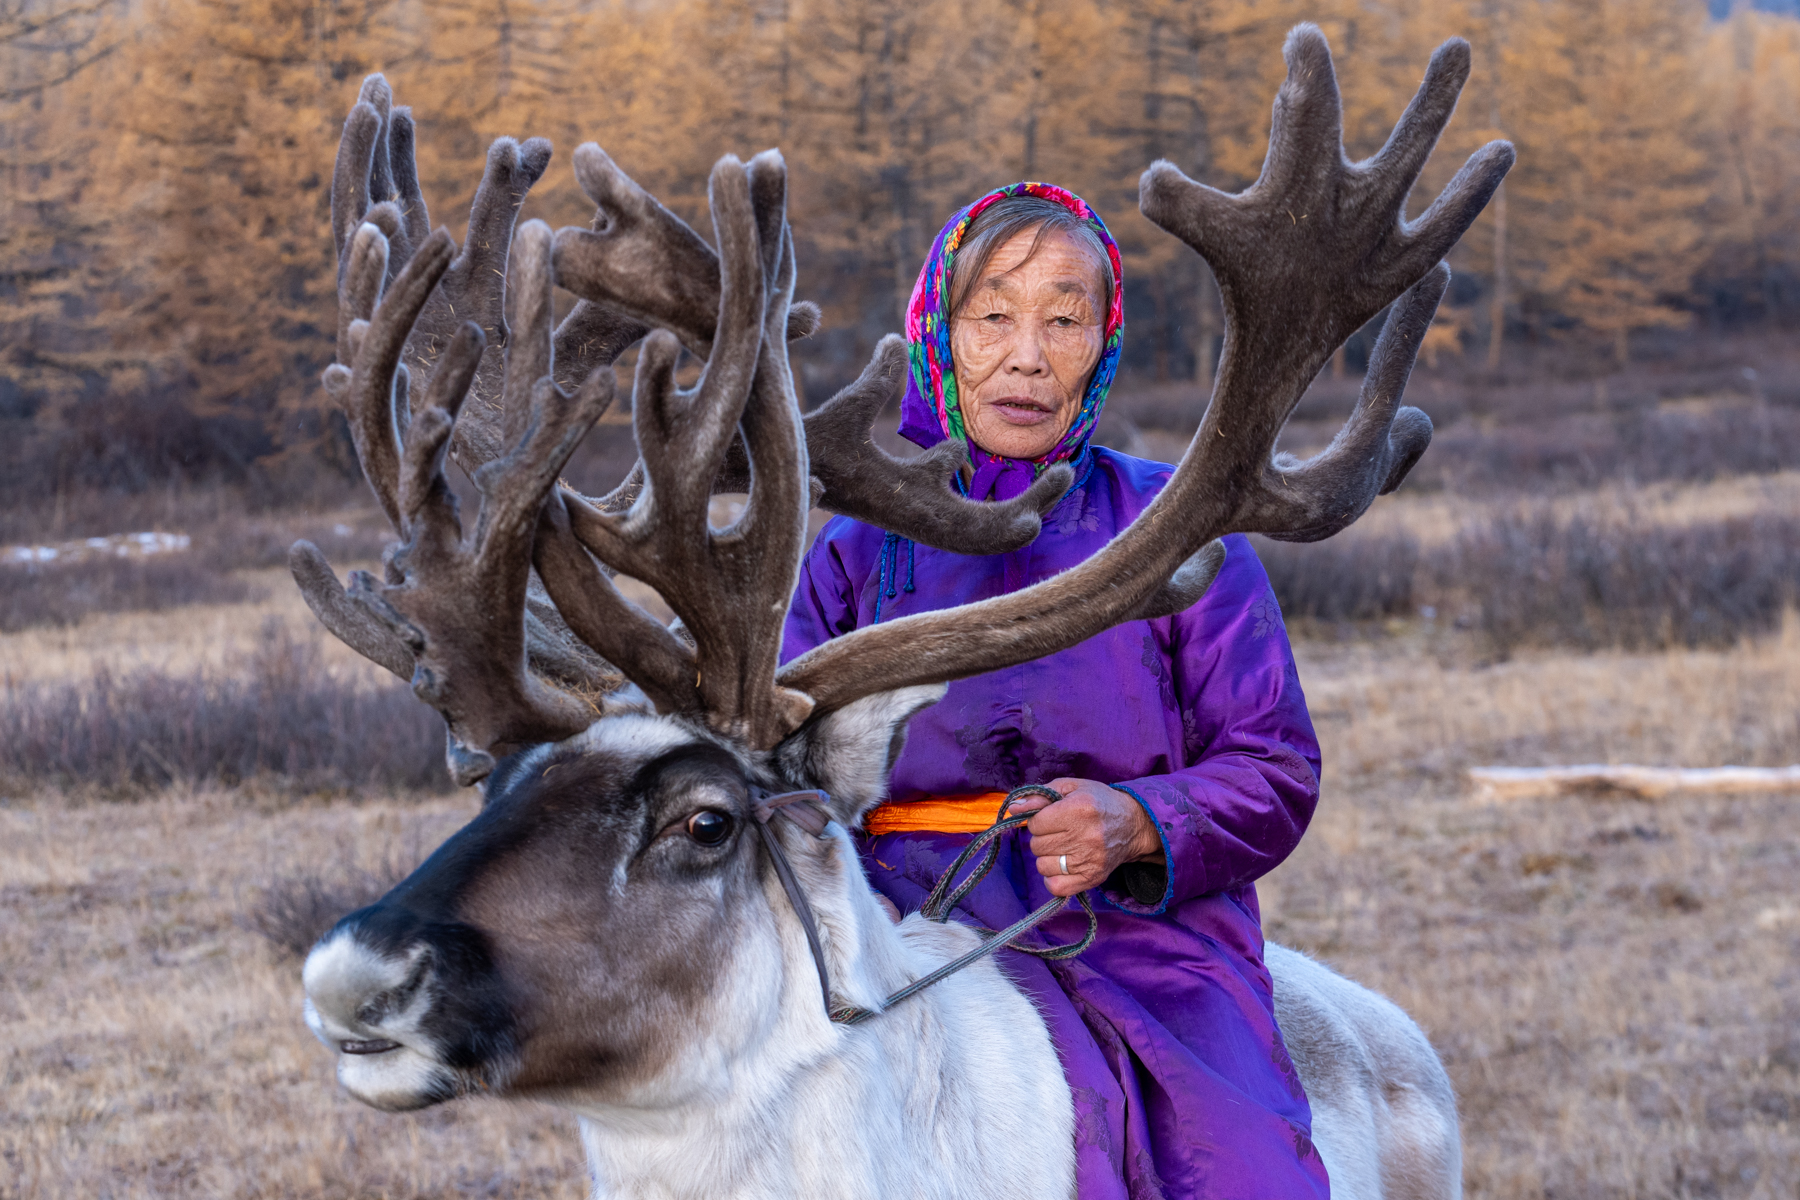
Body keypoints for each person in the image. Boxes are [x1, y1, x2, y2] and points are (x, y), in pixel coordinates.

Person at [780, 182, 1329, 1200]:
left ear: (1103, 341)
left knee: (1243, 1167)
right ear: (937, 335)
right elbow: (783, 776)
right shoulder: (855, 554)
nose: (1027, 356)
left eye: (1064, 320)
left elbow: (1277, 769)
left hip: (1145, 941)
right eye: (992, 316)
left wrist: (1138, 821)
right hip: (901, 926)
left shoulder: (1178, 527)